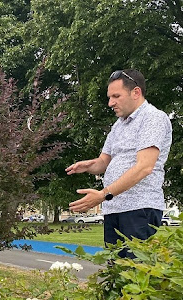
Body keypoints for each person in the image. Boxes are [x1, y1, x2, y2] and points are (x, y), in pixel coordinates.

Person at [66, 69, 172, 257]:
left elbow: (144, 167)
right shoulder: (119, 124)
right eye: (109, 97)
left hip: (139, 209)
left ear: (136, 93)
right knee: (116, 274)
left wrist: (102, 195)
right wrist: (89, 166)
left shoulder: (153, 118)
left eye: (116, 96)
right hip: (114, 209)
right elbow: (104, 161)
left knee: (135, 276)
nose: (110, 103)